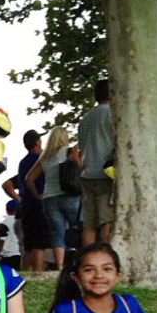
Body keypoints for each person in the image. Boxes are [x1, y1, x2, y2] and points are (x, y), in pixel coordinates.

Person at [24, 126, 81, 270]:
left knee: (57, 233)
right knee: (77, 229)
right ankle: (80, 263)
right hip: (69, 195)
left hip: (49, 198)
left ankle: (60, 267)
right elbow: (80, 167)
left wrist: (38, 194)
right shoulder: (70, 151)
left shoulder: (45, 156)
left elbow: (29, 178)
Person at [77, 79, 114, 246]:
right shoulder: (112, 114)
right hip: (106, 175)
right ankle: (107, 257)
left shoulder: (85, 119)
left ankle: (88, 259)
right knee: (107, 221)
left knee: (89, 224)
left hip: (87, 175)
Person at [11, 129, 49, 271]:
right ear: (37, 142)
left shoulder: (23, 162)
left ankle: (24, 273)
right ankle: (38, 274)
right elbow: (30, 180)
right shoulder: (38, 160)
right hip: (37, 206)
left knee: (28, 246)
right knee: (39, 244)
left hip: (25, 207)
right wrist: (38, 195)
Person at [0, 200, 21, 271]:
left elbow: (2, 240)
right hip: (22, 255)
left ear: (7, 210)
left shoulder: (5, 222)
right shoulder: (21, 221)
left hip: (8, 256)